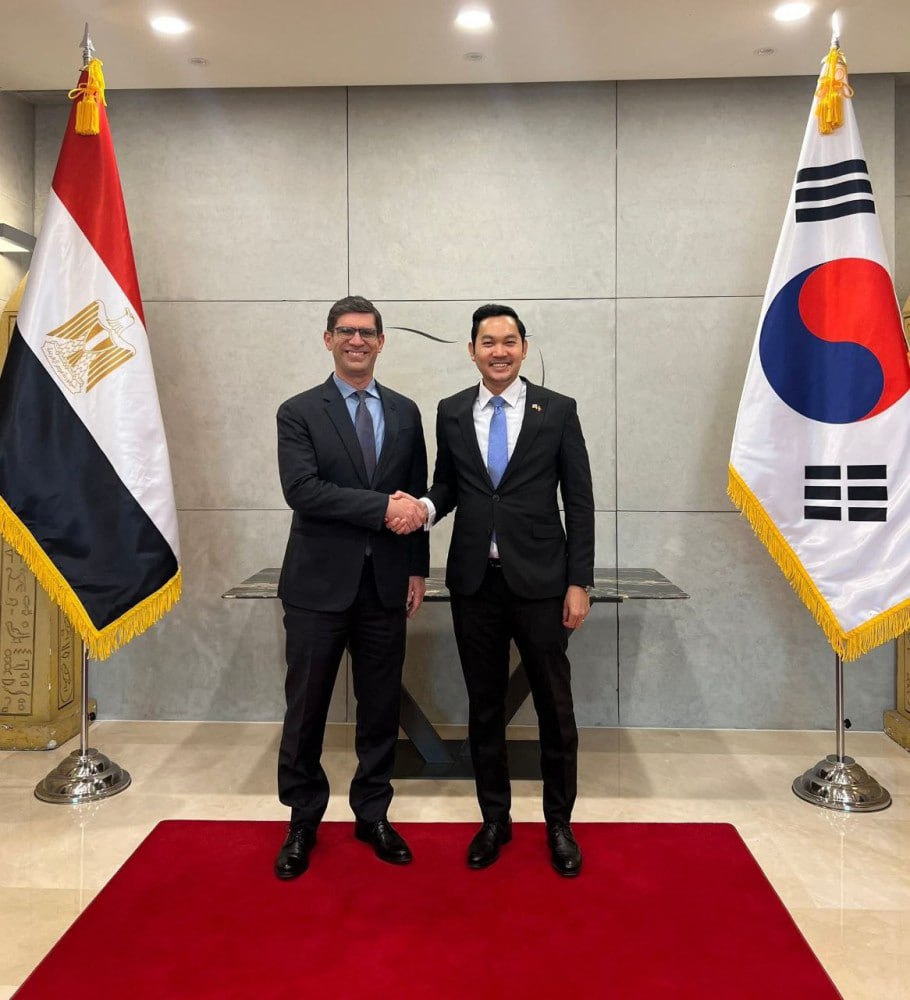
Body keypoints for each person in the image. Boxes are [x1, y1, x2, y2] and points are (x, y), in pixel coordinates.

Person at [392, 303, 595, 876]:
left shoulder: (558, 410)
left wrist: (578, 581)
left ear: (523, 348)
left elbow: (580, 502)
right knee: (484, 707)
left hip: (543, 584)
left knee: (555, 708)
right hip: (475, 584)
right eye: (488, 342)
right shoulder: (453, 411)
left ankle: (559, 823)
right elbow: (448, 487)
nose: (499, 351)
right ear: (472, 350)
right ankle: (494, 819)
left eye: (509, 341)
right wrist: (424, 507)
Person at [273, 295, 429, 880]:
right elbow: (302, 490)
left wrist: (417, 568)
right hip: (317, 585)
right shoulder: (298, 411)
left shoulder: (406, 412)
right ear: (328, 340)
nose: (356, 340)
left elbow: (416, 498)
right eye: (345, 331)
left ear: (381, 342)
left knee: (380, 706)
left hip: (386, 585)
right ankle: (302, 820)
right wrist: (381, 507)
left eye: (366, 332)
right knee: (306, 708)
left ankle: (373, 814)